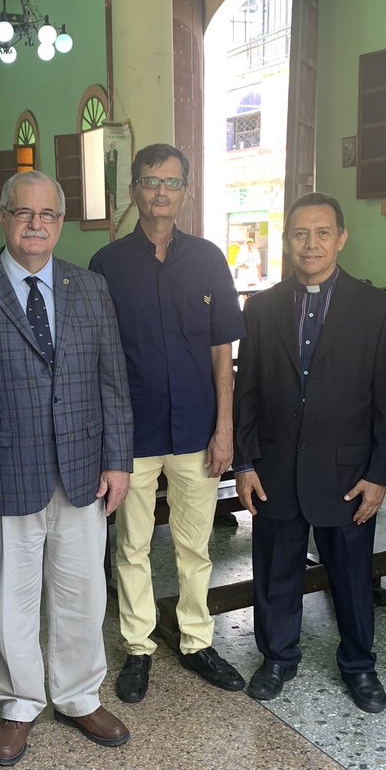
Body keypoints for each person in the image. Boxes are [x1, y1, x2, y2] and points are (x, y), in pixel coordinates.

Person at [0, 171, 133, 766]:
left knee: (83, 594)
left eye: (46, 214)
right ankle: (18, 704)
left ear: (60, 222)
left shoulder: (90, 288)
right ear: (3, 217)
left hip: (81, 472)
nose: (35, 223)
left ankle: (77, 695)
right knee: (6, 600)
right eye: (23, 213)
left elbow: (113, 384)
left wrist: (118, 461)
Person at [233, 193, 386, 711]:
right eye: (300, 234)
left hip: (349, 471)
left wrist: (380, 473)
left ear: (341, 238)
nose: (311, 244)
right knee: (275, 571)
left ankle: (358, 664)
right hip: (276, 469)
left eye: (322, 233)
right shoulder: (261, 306)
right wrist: (244, 462)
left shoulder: (376, 309)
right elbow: (249, 392)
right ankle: (278, 657)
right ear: (288, 241)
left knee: (352, 577)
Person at [90, 144, 246, 704]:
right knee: (130, 545)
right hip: (132, 434)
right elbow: (100, 358)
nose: (161, 191)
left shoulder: (207, 258)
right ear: (133, 191)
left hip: (197, 431)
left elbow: (220, 350)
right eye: (151, 181)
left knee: (194, 545)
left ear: (186, 192)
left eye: (172, 182)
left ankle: (197, 640)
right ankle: (138, 646)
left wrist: (225, 427)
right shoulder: (106, 265)